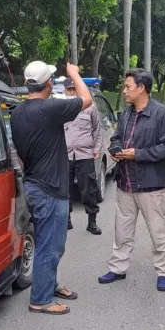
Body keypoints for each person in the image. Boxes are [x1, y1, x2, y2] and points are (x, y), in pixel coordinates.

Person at [9, 61, 93, 315]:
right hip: (50, 190)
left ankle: (50, 284)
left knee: (50, 242)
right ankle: (41, 299)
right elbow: (86, 99)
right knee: (51, 245)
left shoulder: (18, 112)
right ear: (48, 84)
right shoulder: (50, 108)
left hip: (34, 184)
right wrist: (75, 74)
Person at [98, 68, 165, 292]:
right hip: (126, 183)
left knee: (158, 231)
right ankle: (118, 268)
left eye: (128, 86)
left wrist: (138, 154)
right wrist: (115, 149)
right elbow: (116, 137)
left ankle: (163, 272)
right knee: (122, 230)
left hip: (151, 185)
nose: (124, 91)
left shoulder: (161, 113)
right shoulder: (126, 113)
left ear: (141, 88)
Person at [62, 78, 103, 235]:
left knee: (89, 190)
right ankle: (66, 220)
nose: (72, 92)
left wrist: (96, 149)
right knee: (64, 189)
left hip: (85, 154)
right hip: (65, 155)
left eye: (75, 89)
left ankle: (92, 222)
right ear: (65, 90)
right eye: (69, 89)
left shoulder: (90, 106)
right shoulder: (61, 107)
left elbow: (97, 129)